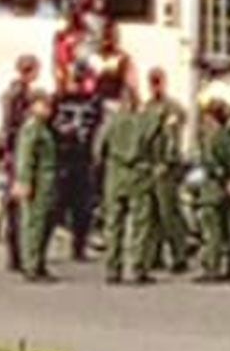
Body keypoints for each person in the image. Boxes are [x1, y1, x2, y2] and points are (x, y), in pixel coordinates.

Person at [95, 86, 160, 285]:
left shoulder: (110, 122)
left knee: (113, 224)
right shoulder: (145, 122)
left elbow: (98, 150)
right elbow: (155, 145)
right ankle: (138, 267)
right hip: (139, 175)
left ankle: (113, 268)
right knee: (140, 224)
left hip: (115, 175)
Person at [193, 95, 230, 284]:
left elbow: (211, 163)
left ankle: (212, 267)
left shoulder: (211, 138)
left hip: (214, 188)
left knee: (213, 230)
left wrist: (224, 179)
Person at [0, 55, 40, 274]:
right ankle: (17, 254)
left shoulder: (13, 94)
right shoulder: (19, 97)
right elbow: (14, 128)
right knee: (17, 208)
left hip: (11, 152)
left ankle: (16, 253)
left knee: (13, 206)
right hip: (16, 153)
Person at [145, 67, 192, 274]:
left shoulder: (172, 108)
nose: (155, 86)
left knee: (169, 213)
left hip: (167, 167)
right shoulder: (146, 108)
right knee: (152, 213)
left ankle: (179, 255)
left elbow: (172, 137)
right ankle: (154, 255)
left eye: (158, 81)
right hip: (150, 165)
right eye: (152, 82)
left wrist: (167, 162)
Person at [52, 79, 103, 262]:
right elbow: (52, 127)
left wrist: (97, 155)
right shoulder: (59, 99)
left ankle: (79, 247)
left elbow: (98, 129)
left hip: (84, 160)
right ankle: (42, 248)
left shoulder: (95, 102)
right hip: (63, 159)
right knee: (56, 206)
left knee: (83, 208)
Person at [10, 90, 59, 283]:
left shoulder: (44, 128)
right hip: (36, 182)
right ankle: (31, 266)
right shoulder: (32, 128)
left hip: (46, 181)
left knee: (44, 223)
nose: (48, 109)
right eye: (44, 105)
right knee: (34, 224)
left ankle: (39, 263)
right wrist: (24, 181)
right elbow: (25, 157)